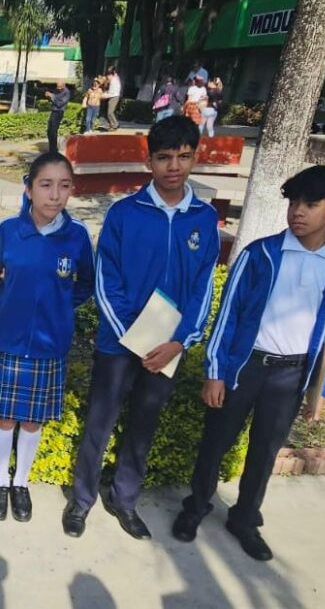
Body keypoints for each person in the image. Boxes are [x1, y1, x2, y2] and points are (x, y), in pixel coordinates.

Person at [172, 166, 325, 562]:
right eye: (294, 202)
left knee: (265, 450)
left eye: (311, 204)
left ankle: (244, 519)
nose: (298, 212)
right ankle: (196, 507)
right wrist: (215, 372)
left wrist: (322, 388)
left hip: (292, 374)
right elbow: (228, 315)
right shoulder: (259, 255)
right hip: (247, 367)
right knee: (217, 441)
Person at [63, 115, 220, 540]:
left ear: (195, 158)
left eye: (184, 157)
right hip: (119, 344)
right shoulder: (124, 213)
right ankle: (81, 501)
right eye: (165, 157)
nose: (174, 166)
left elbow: (202, 286)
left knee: (142, 427)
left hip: (167, 348)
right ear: (149, 161)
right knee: (101, 421)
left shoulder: (203, 220)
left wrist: (179, 341)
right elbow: (104, 279)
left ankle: (125, 498)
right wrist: (133, 337)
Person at [0, 152, 94, 523]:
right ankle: (0, 480)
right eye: (45, 184)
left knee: (32, 421)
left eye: (64, 186)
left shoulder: (76, 237)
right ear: (29, 189)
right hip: (9, 342)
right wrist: (9, 312)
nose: (55, 194)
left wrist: (58, 314)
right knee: (5, 418)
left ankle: (21, 482)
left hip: (50, 347)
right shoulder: (9, 233)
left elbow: (85, 287)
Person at [44, 80, 71, 153]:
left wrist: (52, 96)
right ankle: (52, 148)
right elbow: (53, 100)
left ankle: (53, 150)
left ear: (64, 85)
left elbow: (59, 103)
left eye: (60, 87)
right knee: (49, 131)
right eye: (57, 87)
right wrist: (48, 97)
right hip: (53, 111)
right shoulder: (57, 90)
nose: (58, 88)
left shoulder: (66, 92)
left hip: (59, 112)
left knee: (53, 131)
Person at [102, 67, 122, 131]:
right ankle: (112, 125)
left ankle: (116, 124)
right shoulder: (115, 78)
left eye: (108, 76)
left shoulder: (113, 82)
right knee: (108, 112)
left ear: (111, 75)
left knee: (110, 112)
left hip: (114, 97)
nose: (107, 77)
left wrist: (103, 96)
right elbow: (115, 74)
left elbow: (111, 93)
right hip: (113, 96)